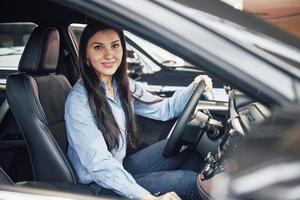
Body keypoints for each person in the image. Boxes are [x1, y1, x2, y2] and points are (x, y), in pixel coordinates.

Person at [64, 23, 213, 200]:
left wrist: (195, 86)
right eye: (98, 47)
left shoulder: (121, 85)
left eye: (115, 45)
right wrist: (145, 197)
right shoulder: (79, 101)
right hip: (99, 184)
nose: (109, 54)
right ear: (86, 55)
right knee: (192, 183)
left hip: (120, 165)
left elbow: (164, 109)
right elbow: (98, 164)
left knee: (189, 154)